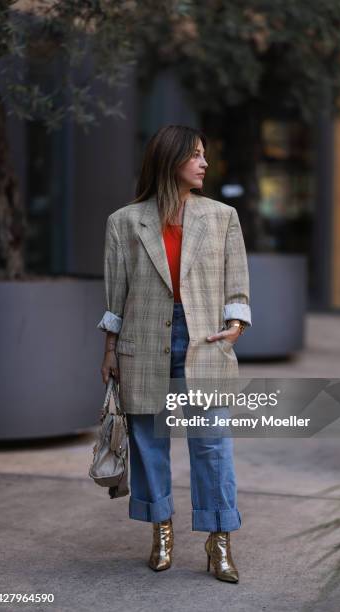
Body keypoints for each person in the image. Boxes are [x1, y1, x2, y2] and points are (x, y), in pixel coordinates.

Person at [97, 125, 252, 583]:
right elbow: (115, 296)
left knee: (213, 446)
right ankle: (160, 530)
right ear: (170, 160)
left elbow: (237, 282)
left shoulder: (223, 216)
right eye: (196, 155)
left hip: (204, 342)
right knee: (148, 445)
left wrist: (236, 327)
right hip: (141, 342)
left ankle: (218, 539)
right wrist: (109, 350)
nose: (204, 163)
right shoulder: (124, 222)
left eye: (205, 155)